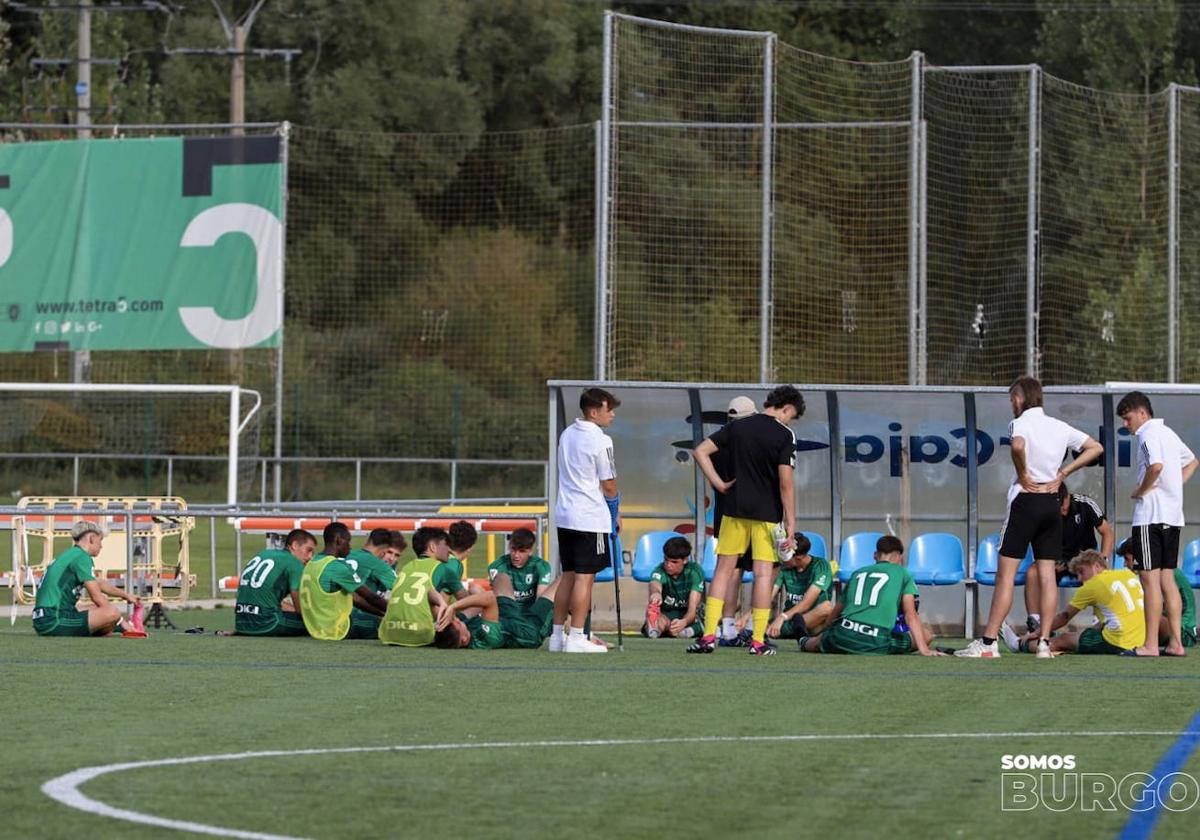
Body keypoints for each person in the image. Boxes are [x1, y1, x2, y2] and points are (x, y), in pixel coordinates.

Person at [957, 377, 1102, 659]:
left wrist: (1023, 474)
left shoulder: (1021, 423)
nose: (1012, 402)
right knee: (1047, 575)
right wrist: (1062, 473)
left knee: (1006, 576)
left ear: (1022, 398)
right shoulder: (1059, 426)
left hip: (1025, 500)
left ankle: (988, 644)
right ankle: (1045, 643)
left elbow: (1018, 447)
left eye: (1013, 398)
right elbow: (1095, 447)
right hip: (1051, 501)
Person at [690, 385, 805, 656]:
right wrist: (791, 520)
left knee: (722, 571)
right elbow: (785, 483)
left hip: (734, 510)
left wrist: (718, 484)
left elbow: (700, 451)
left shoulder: (739, 426)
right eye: (792, 415)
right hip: (767, 513)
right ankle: (757, 641)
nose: (790, 420)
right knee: (763, 574)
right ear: (787, 408)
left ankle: (708, 637)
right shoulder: (784, 433)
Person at [1117, 391, 1197, 657]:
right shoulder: (1169, 433)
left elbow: (1156, 467)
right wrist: (1174, 487)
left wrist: (1141, 491)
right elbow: (1193, 461)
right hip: (1172, 517)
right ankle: (1176, 643)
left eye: (1128, 419)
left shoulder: (1148, 434)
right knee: (1167, 580)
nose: (1126, 425)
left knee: (1149, 582)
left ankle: (1150, 645)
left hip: (1150, 517)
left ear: (1142, 413)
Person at [550, 387, 621, 654]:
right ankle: (578, 636)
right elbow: (609, 485)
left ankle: (558, 636)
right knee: (585, 578)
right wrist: (614, 511)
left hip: (566, 514)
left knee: (567, 575)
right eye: (608, 409)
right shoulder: (601, 440)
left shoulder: (567, 434)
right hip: (589, 517)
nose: (612, 414)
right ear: (594, 411)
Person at [800, 536, 940, 656]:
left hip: (842, 634)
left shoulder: (858, 573)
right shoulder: (903, 573)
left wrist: (826, 632)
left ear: (875, 555)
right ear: (900, 558)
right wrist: (924, 649)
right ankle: (809, 638)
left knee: (823, 639)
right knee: (926, 634)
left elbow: (835, 613)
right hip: (875, 639)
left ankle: (803, 640)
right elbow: (911, 615)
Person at [1007, 550, 1145, 656]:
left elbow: (1064, 617)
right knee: (1084, 632)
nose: (1079, 578)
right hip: (1142, 639)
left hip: (1119, 642)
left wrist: (1038, 632)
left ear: (1096, 566)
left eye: (1081, 571)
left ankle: (1019, 644)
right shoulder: (1126, 574)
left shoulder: (1093, 585)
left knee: (1064, 639)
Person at [1022, 484, 1114, 632]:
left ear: (1068, 496)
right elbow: (1037, 539)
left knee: (1098, 575)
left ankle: (1100, 620)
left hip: (1083, 559)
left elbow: (1107, 532)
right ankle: (1035, 621)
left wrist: (1102, 560)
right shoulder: (1045, 509)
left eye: (1063, 505)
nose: (1061, 511)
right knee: (1032, 572)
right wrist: (1047, 561)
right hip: (1057, 559)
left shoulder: (1085, 504)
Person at [32, 520, 143, 637]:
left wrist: (126, 596)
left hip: (44, 617)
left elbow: (99, 583)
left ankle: (109, 628)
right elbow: (97, 597)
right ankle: (122, 627)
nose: (101, 546)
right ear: (92, 538)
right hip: (53, 620)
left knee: (103, 614)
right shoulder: (82, 557)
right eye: (100, 541)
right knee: (112, 612)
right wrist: (122, 622)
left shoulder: (72, 555)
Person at [713, 395, 758, 647]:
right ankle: (753, 628)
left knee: (729, 570)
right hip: (757, 512)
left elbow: (702, 456)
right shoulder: (752, 440)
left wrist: (719, 484)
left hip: (726, 511)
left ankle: (727, 628)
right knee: (765, 569)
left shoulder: (719, 439)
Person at [299, 522, 389, 641]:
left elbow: (356, 599)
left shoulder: (312, 563)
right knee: (391, 626)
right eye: (348, 541)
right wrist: (395, 611)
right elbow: (372, 597)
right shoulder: (336, 566)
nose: (350, 546)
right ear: (339, 540)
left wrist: (380, 613)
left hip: (316, 628)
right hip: (338, 628)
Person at [436, 569, 562, 650]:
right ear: (463, 640)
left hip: (506, 616)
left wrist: (442, 605)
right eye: (457, 623)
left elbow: (430, 594)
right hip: (528, 629)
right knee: (564, 579)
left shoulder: (459, 629)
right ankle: (578, 631)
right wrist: (453, 606)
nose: (456, 619)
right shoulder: (484, 639)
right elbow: (490, 598)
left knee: (501, 577)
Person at [229, 528, 316, 636]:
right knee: (315, 624)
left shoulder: (264, 553)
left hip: (241, 623)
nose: (310, 557)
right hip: (268, 623)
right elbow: (300, 610)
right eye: (308, 550)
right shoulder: (295, 563)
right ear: (294, 545)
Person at [1116, 538, 1196, 650]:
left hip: (1183, 633)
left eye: (1127, 559)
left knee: (1144, 615)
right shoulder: (1147, 575)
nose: (1124, 564)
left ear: (1139, 557)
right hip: (1166, 628)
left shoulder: (1167, 574)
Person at [766, 533, 835, 641]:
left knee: (826, 607)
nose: (781, 558)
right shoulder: (784, 567)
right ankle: (791, 631)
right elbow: (768, 597)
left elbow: (806, 604)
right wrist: (747, 618)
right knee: (759, 624)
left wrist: (781, 617)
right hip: (790, 619)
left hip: (811, 617)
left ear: (798, 558)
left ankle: (780, 631)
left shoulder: (821, 566)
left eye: (785, 555)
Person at [378, 552, 452, 647]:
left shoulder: (406, 567)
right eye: (389, 552)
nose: (392, 558)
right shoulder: (443, 566)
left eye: (396, 555)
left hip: (389, 635)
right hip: (422, 637)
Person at [643, 536, 704, 639]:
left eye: (674, 562)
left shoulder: (695, 572)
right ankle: (654, 628)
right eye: (666, 560)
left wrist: (683, 622)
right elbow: (655, 584)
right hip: (666, 616)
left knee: (699, 622)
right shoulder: (659, 570)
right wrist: (656, 594)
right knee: (660, 620)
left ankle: (692, 630)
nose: (668, 565)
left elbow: (692, 610)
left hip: (687, 617)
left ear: (685, 560)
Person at [344, 528, 399, 640]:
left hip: (331, 611)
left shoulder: (347, 554)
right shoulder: (377, 563)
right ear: (384, 552)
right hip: (355, 617)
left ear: (367, 541)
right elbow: (401, 588)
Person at [488, 527, 553, 612]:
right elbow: (501, 600)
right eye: (513, 549)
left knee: (562, 582)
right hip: (509, 613)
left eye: (522, 551)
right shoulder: (496, 566)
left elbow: (541, 597)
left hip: (532, 613)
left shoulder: (541, 566)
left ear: (530, 551)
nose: (516, 556)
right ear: (509, 546)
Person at [411, 526, 469, 601]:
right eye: (446, 544)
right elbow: (467, 601)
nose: (449, 549)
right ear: (432, 547)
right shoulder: (444, 569)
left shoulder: (406, 568)